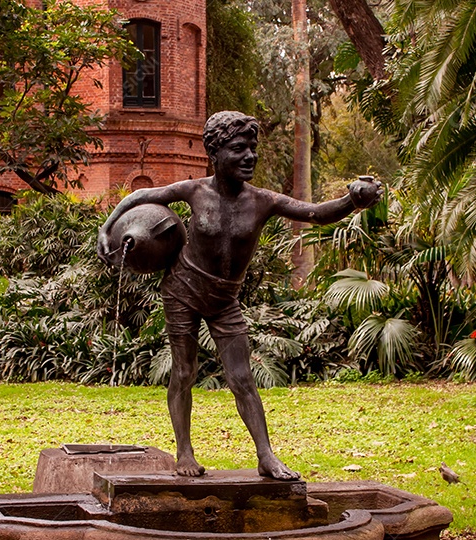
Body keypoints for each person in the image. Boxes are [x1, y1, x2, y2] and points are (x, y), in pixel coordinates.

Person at [98, 111, 380, 480]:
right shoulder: (194, 191)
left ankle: (266, 456)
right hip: (182, 289)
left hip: (224, 298)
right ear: (214, 154)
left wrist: (352, 200)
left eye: (252, 147)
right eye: (238, 148)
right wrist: (106, 230)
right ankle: (184, 452)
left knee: (242, 377)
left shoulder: (263, 201)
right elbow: (140, 195)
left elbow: (315, 213)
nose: (249, 156)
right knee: (184, 371)